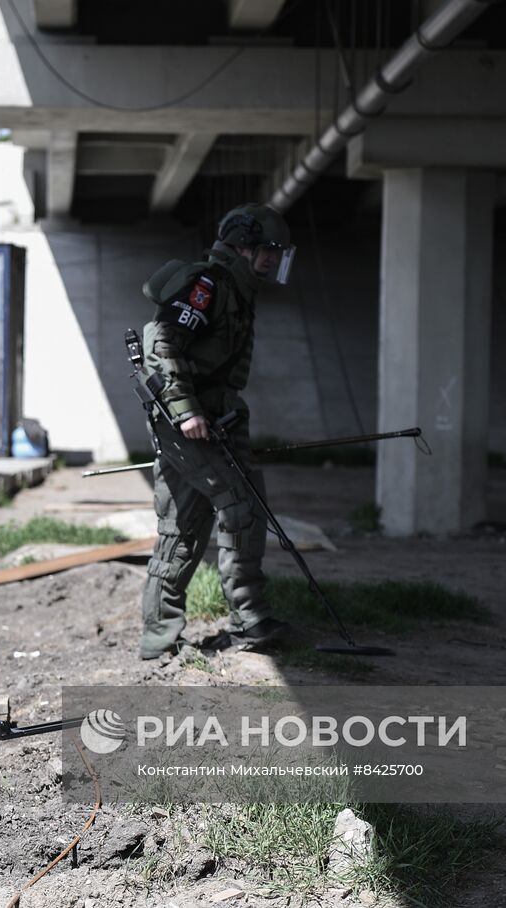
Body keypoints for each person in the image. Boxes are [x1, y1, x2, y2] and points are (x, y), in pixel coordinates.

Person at [137, 203, 297, 661]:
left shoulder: (236, 290)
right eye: (269, 251)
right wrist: (187, 412)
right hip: (191, 424)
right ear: (243, 245)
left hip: (214, 421)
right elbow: (161, 341)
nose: (273, 261)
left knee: (183, 528)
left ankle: (158, 637)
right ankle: (250, 620)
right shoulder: (208, 285)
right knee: (241, 507)